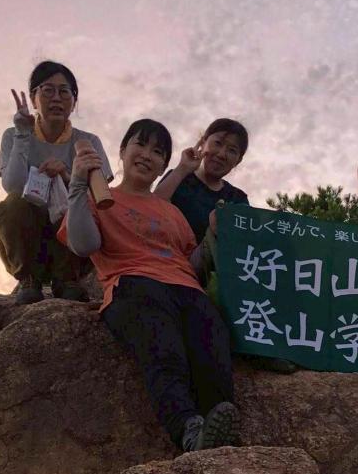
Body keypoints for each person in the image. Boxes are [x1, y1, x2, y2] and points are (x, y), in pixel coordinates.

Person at [58, 118, 240, 453]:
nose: (147, 155)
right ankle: (188, 430)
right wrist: (77, 186)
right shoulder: (100, 198)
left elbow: (191, 262)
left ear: (162, 165)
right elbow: (83, 245)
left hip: (186, 288)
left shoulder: (171, 212)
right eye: (140, 145)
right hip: (133, 283)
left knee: (213, 343)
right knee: (163, 348)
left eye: (158, 152)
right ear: (122, 150)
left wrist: (213, 236)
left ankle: (219, 432)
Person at [0, 60, 113, 304]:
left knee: (84, 206)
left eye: (64, 91)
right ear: (33, 98)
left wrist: (69, 177)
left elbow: (100, 199)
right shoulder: (14, 135)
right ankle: (29, 278)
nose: (57, 98)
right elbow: (13, 186)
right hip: (29, 237)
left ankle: (68, 278)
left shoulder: (88, 142)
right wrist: (22, 133)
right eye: (48, 90)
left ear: (74, 101)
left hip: (73, 243)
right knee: (12, 203)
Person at [154, 118, 250, 242]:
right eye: (218, 143)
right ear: (203, 143)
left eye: (232, 150)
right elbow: (151, 209)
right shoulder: (178, 177)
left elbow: (243, 242)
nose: (222, 154)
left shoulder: (237, 199)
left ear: (238, 160)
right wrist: (182, 168)